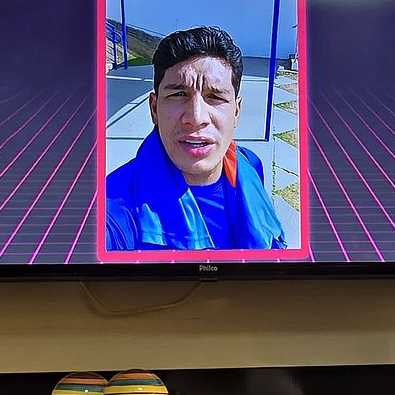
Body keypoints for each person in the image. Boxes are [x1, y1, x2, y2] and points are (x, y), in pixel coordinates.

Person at [103, 25, 287, 252]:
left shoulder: (249, 164)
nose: (196, 118)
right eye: (179, 94)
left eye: (215, 97)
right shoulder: (110, 210)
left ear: (236, 112)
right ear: (154, 109)